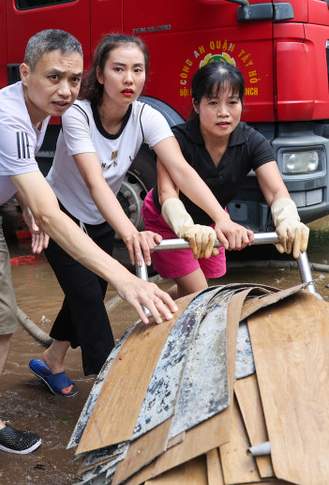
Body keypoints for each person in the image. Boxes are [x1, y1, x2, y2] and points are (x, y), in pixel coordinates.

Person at [0, 29, 177, 485]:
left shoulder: (45, 110)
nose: (66, 90)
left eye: (73, 79)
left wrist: (24, 202)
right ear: (25, 73)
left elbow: (21, 170)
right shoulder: (6, 119)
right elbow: (52, 214)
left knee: (3, 317)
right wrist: (127, 279)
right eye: (53, 77)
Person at [28, 34, 251, 398]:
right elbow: (96, 183)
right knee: (89, 302)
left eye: (137, 69)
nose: (129, 78)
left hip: (100, 221)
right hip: (62, 214)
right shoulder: (77, 115)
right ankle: (115, 392)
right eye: (119, 69)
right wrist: (132, 233)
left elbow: (180, 169)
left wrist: (219, 218)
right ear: (100, 74)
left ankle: (52, 360)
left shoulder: (148, 116)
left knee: (87, 293)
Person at [143, 61, 310, 298]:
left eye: (232, 102)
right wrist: (187, 228)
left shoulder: (253, 141)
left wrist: (288, 220)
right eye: (213, 102)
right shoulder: (176, 140)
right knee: (200, 292)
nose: (224, 112)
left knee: (198, 283)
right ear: (196, 105)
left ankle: (158, 307)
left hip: (213, 217)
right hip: (169, 220)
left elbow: (275, 192)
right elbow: (167, 194)